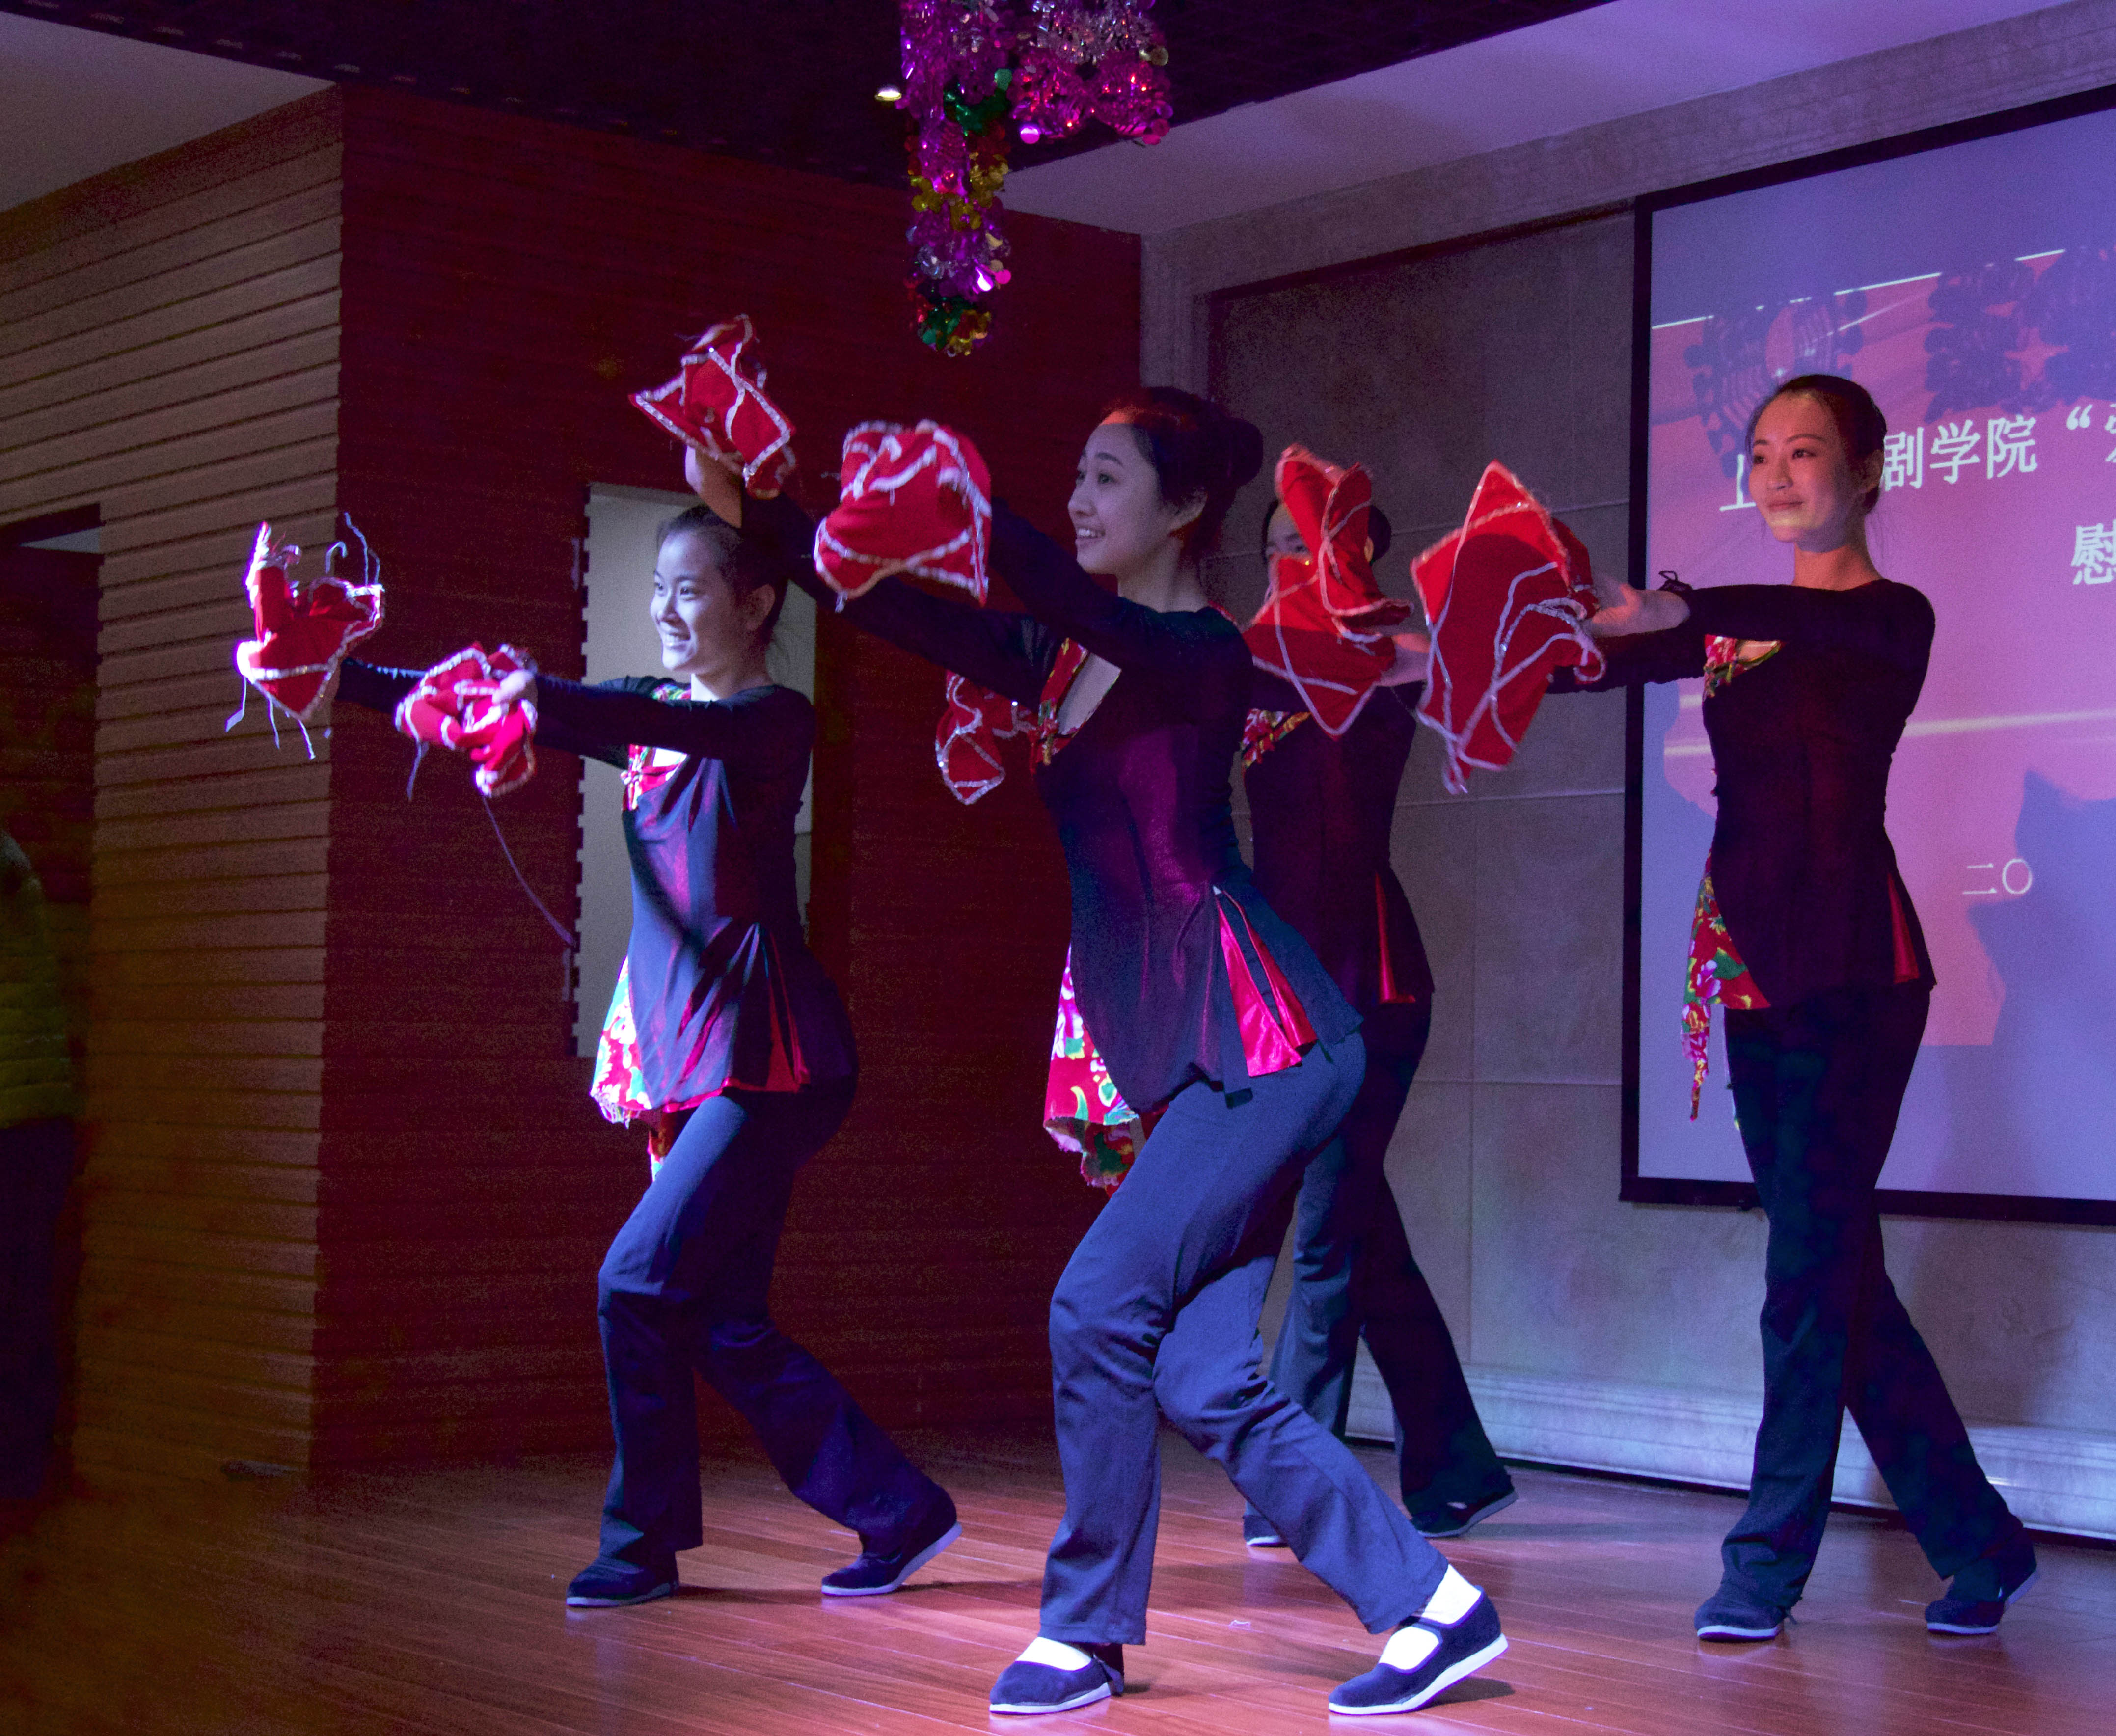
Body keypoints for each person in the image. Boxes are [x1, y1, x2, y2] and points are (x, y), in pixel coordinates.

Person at [720, 389, 1505, 1717]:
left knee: (1094, 1304)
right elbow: (876, 601)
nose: (1080, 503)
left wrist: (976, 511)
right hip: (1192, 1056)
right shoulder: (1053, 655)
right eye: (1073, 478)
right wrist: (762, 499)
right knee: (1202, 1372)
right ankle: (1433, 1606)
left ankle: (1084, 1632)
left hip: (1264, 1040)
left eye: (1104, 479)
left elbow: (1069, 596)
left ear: (1183, 508)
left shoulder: (1199, 651)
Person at [334, 507, 958, 1610]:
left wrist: (541, 694)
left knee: (634, 1279)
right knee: (720, 1318)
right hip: (696, 1053)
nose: (667, 610)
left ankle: (641, 1547)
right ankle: (898, 1510)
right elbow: (501, 704)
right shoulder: (652, 715)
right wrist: (337, 677)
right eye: (659, 589)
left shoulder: (774, 721)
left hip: (774, 1058)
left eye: (692, 589)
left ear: (756, 604)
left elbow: (620, 714)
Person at [1560, 374, 2033, 1640]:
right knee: (1835, 1267)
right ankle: (1980, 1541)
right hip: (1754, 969)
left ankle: (1765, 1562)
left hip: (1856, 971)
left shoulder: (1888, 618)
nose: (1776, 475)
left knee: (1804, 1273)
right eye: (1761, 453)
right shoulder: (1729, 626)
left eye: (1805, 453)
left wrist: (1682, 607)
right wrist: (1413, 660)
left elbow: (1785, 623)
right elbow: (1582, 665)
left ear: (1867, 472)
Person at [1239, 498, 1516, 1546]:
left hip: (1371, 983)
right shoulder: (1251, 669)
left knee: (1325, 1234)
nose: (1289, 561)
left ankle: (1297, 1482)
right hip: (1284, 991)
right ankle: (1457, 1464)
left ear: (1356, 560)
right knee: (1358, 1227)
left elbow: (1465, 659)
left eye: (1312, 546)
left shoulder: (1387, 662)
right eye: (1277, 545)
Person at [0, 825, 78, 1507]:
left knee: (18, 1295)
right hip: (29, 1118)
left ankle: (20, 1467)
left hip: (19, 1121)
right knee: (21, 1292)